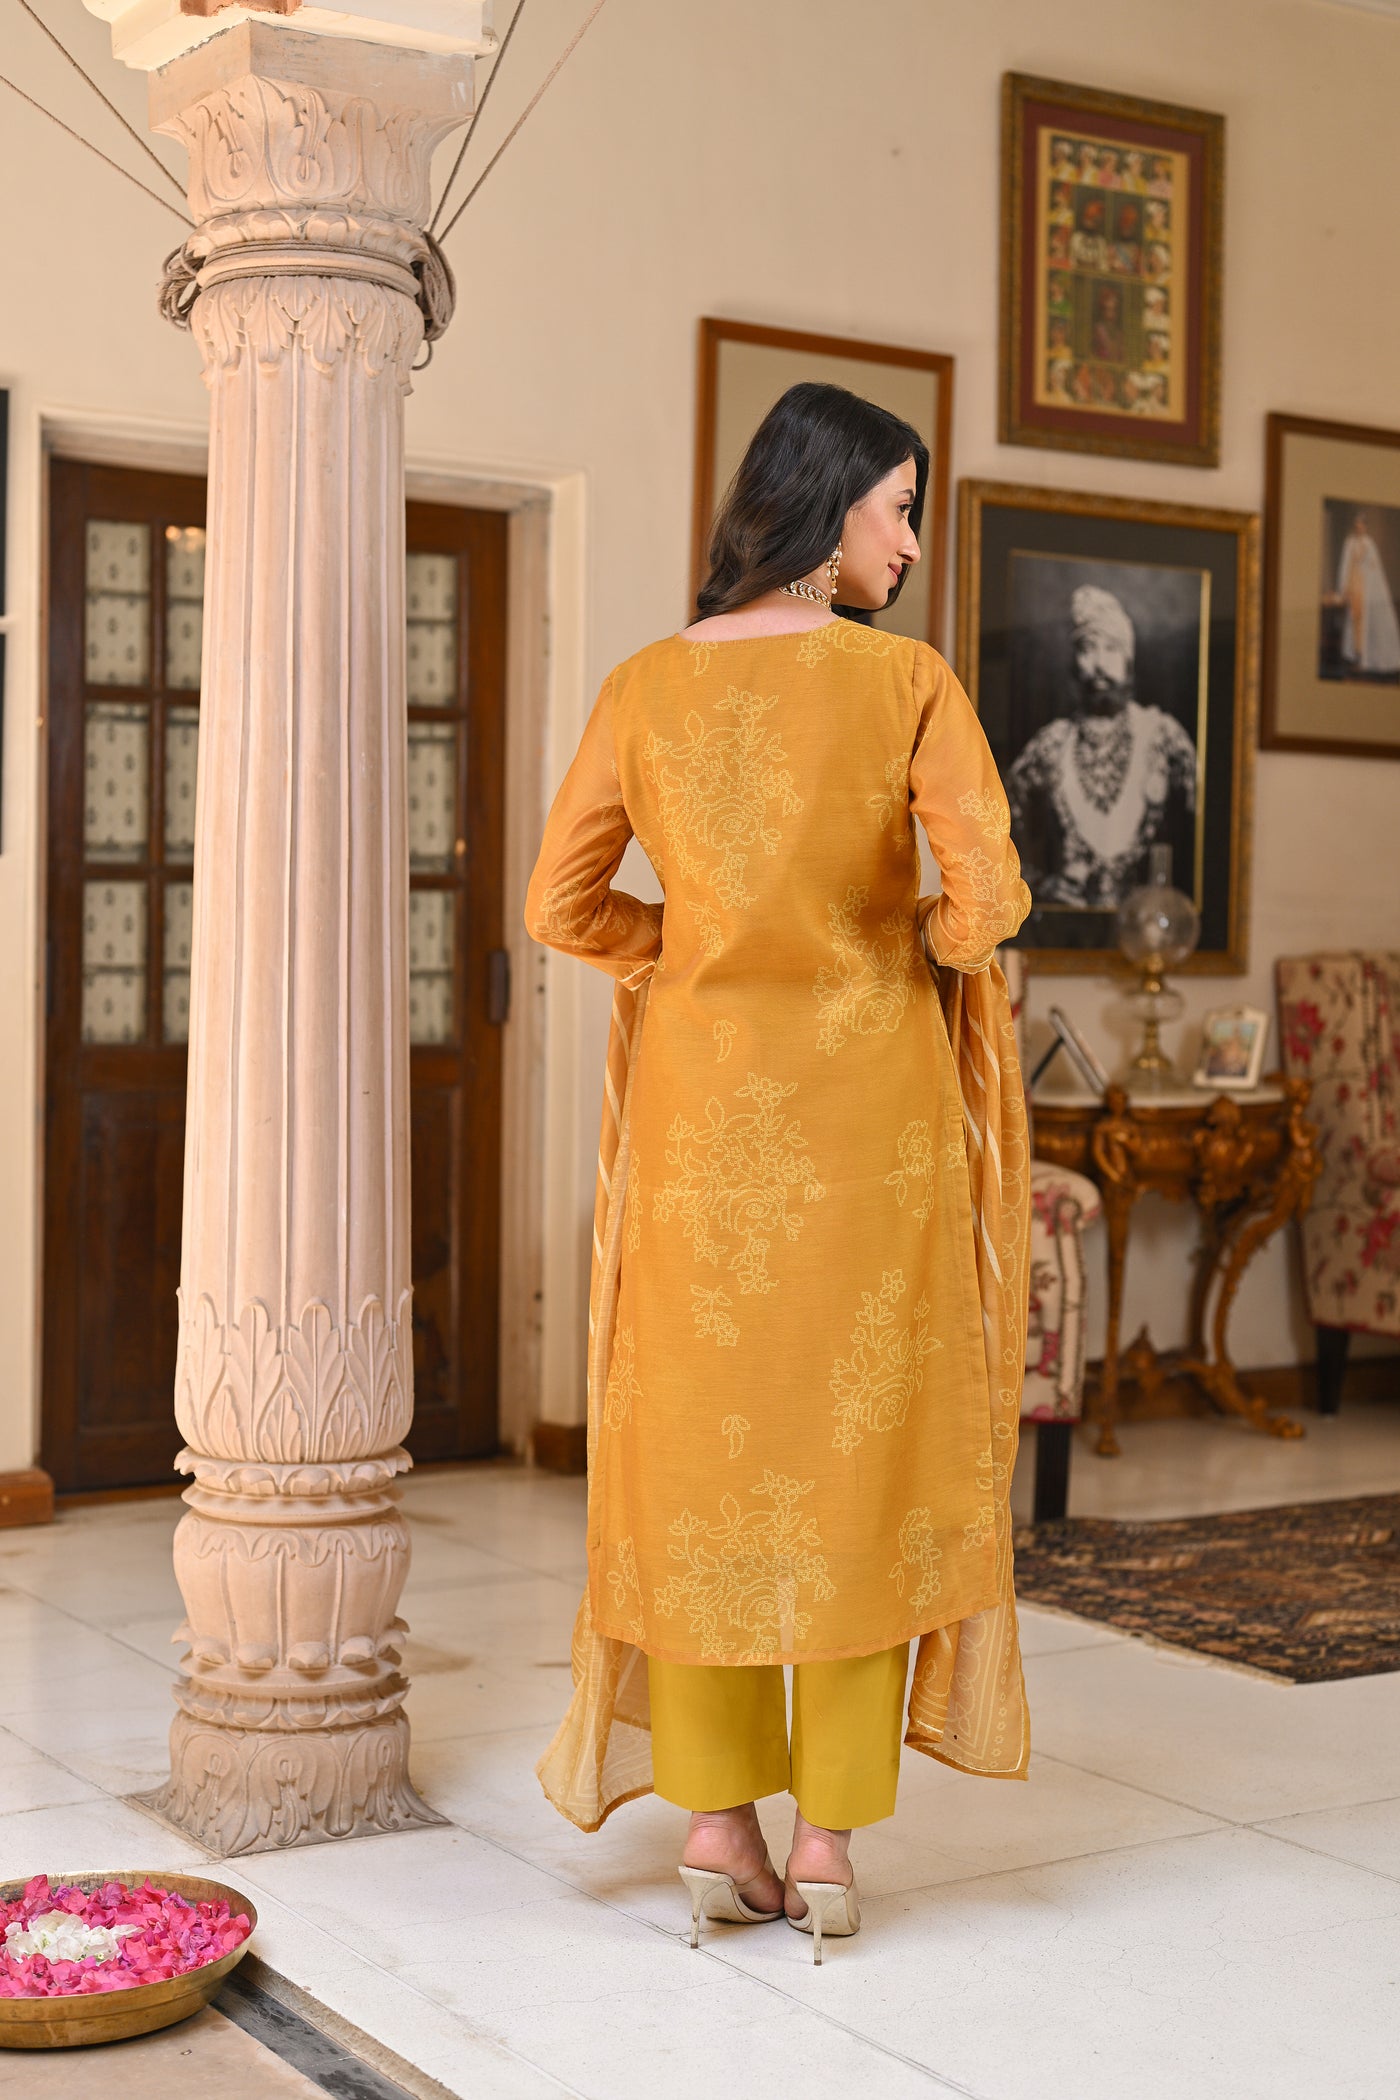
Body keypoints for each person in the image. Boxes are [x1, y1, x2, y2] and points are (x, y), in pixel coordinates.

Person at [524, 384, 1034, 1961]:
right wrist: (906, 942)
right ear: (827, 507)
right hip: (870, 1134)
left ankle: (713, 1826)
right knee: (856, 1468)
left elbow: (560, 906)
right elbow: (988, 904)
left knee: (704, 1464)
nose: (910, 544)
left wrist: (689, 946)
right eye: (899, 508)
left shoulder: (643, 686)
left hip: (700, 1140)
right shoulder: (907, 683)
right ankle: (826, 1843)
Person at [1006, 583, 1197, 908]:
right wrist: (1039, 885)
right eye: (1088, 649)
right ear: (1074, 661)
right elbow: (997, 825)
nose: (1099, 664)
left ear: (1128, 660)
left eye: (1111, 648)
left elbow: (1199, 830)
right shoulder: (1051, 743)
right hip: (1065, 926)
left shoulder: (1164, 737)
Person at [1336, 510, 1400, 677]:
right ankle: (1356, 654)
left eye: (1362, 525)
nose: (1359, 527)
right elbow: (1345, 564)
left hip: (1365, 587)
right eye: (1357, 524)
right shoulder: (1349, 542)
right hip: (1354, 585)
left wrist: (1369, 578)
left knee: (1365, 621)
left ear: (1365, 526)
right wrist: (1344, 586)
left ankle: (1365, 656)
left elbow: (1374, 567)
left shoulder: (1369, 543)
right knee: (1355, 619)